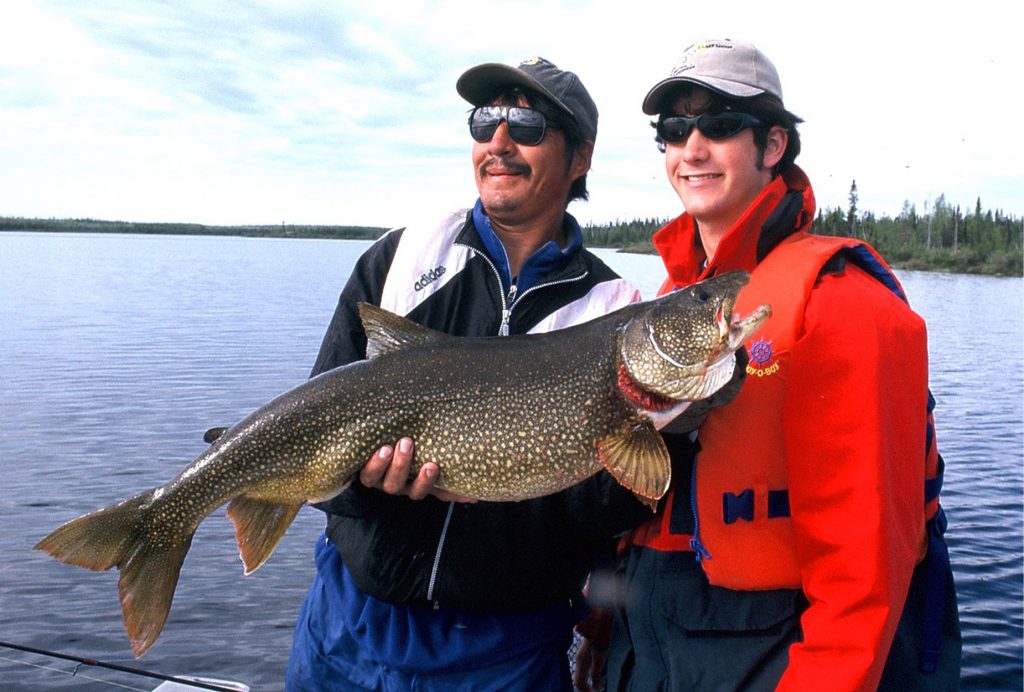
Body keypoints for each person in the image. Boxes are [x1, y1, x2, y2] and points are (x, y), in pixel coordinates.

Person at [576, 39, 962, 691]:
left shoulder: (841, 304)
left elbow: (861, 588)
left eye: (721, 124)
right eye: (674, 129)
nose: (692, 148)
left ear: (774, 145)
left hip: (771, 656)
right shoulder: (672, 314)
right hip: (652, 651)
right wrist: (609, 631)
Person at [285, 57, 652, 691]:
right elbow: (315, 437)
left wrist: (658, 420)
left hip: (502, 653)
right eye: (485, 120)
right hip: (348, 629)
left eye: (527, 124)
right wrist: (367, 486)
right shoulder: (401, 257)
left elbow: (605, 512)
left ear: (581, 157)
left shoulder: (616, 311)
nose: (499, 142)